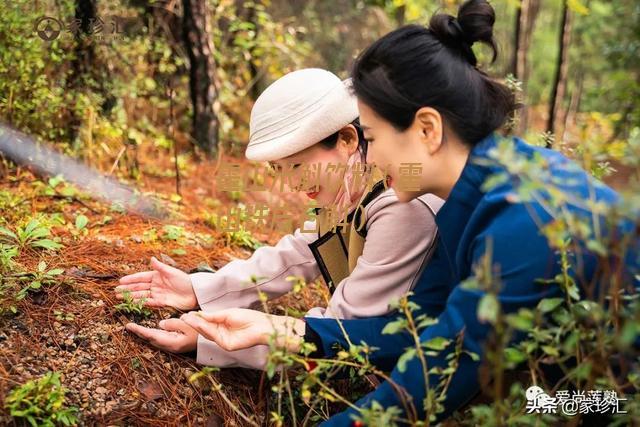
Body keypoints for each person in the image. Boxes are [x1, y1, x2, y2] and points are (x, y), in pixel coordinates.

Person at [178, 0, 639, 423]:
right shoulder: (471, 199)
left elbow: (438, 372)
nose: (369, 160)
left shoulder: (524, 219)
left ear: (427, 129)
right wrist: (284, 330)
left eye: (373, 139)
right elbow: (416, 330)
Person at [116, 68, 443, 369]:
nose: (292, 184)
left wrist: (210, 342)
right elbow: (297, 255)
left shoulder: (401, 204)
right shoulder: (349, 186)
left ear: (346, 139)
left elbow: (339, 334)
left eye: (298, 166)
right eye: (278, 169)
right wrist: (199, 289)